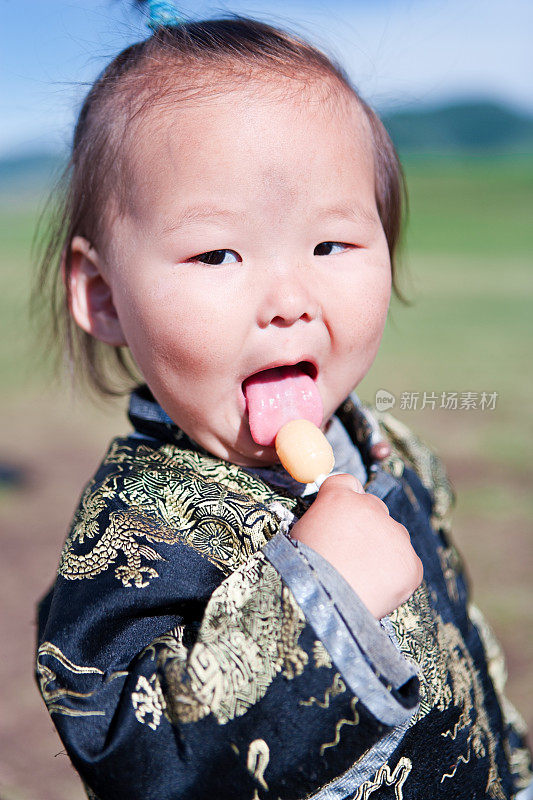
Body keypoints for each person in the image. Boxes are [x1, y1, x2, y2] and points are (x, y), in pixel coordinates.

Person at [34, 3, 532, 798]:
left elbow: (464, 648)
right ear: (104, 298)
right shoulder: (135, 537)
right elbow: (137, 764)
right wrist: (319, 600)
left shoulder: (381, 447)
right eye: (216, 252)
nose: (288, 299)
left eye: (330, 244)